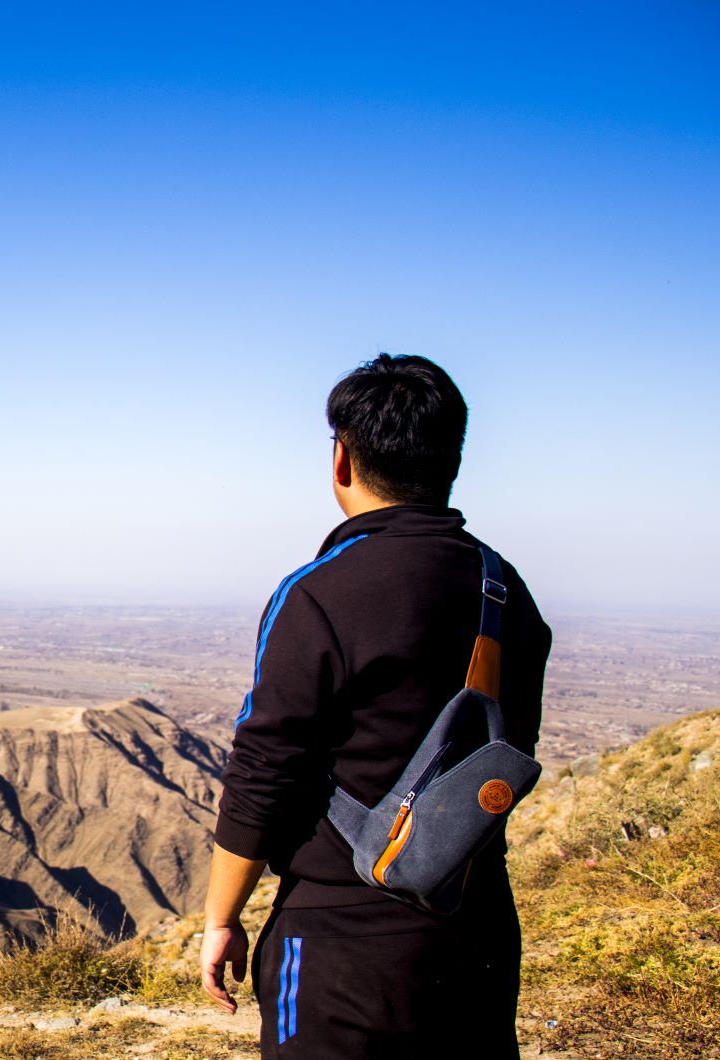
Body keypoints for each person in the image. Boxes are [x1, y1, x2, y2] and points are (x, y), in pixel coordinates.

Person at [199, 354, 551, 1057]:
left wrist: (221, 917)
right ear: (451, 458)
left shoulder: (319, 593)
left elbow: (264, 770)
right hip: (475, 927)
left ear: (341, 460)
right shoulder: (503, 587)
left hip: (341, 942)